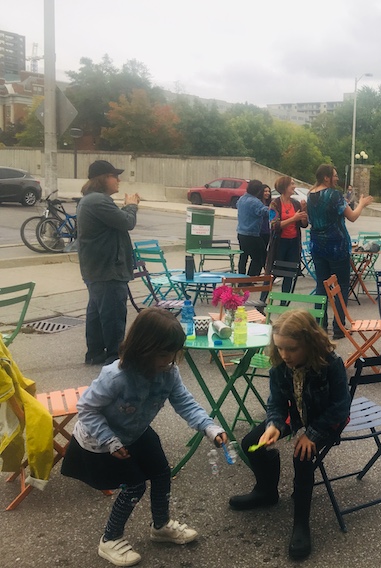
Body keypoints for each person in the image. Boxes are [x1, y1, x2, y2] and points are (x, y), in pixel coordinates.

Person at [61, 308, 228, 567]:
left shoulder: (168, 371)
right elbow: (86, 409)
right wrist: (109, 440)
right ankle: (110, 539)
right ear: (142, 348)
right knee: (135, 485)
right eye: (163, 354)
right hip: (101, 439)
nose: (170, 360)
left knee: (162, 472)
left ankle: (160, 525)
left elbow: (184, 402)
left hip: (136, 432)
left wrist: (210, 428)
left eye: (173, 353)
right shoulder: (115, 376)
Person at [229, 309, 350, 561]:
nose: (285, 355)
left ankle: (301, 523)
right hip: (295, 415)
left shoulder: (331, 363)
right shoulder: (280, 367)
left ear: (310, 342)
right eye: (280, 348)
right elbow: (275, 403)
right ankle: (266, 491)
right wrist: (274, 425)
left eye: (292, 349)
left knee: (302, 454)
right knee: (252, 441)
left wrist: (312, 434)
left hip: (327, 420)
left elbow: (340, 406)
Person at [77, 160, 140, 366]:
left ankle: (95, 353)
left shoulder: (92, 200)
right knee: (113, 313)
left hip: (98, 268)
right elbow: (126, 222)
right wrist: (131, 206)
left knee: (97, 312)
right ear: (104, 178)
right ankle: (115, 357)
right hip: (108, 269)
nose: (118, 180)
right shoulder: (98, 201)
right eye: (115, 176)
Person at [306, 164, 373, 338]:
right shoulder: (334, 195)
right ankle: (338, 328)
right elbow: (352, 216)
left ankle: (320, 327)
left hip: (316, 245)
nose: (337, 178)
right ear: (326, 177)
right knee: (341, 286)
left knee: (321, 285)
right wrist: (362, 204)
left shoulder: (310, 195)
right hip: (337, 246)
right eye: (334, 175)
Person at [265, 177, 308, 293]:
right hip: (280, 243)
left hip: (293, 243)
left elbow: (303, 224)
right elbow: (274, 225)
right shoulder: (275, 204)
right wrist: (293, 218)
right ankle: (262, 302)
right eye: (292, 184)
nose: (294, 186)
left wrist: (304, 212)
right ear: (284, 187)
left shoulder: (295, 203)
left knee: (289, 273)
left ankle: (284, 303)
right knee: (272, 273)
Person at [236, 180, 271, 276]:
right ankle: (250, 278)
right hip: (252, 234)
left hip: (241, 232)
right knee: (259, 256)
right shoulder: (255, 202)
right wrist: (274, 210)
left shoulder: (241, 199)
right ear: (259, 191)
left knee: (243, 256)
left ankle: (241, 278)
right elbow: (265, 212)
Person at [259, 184, 272, 265]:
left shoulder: (270, 203)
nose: (267, 193)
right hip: (260, 231)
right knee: (261, 253)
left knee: (266, 253)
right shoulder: (258, 203)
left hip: (267, 231)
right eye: (265, 191)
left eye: (268, 191)